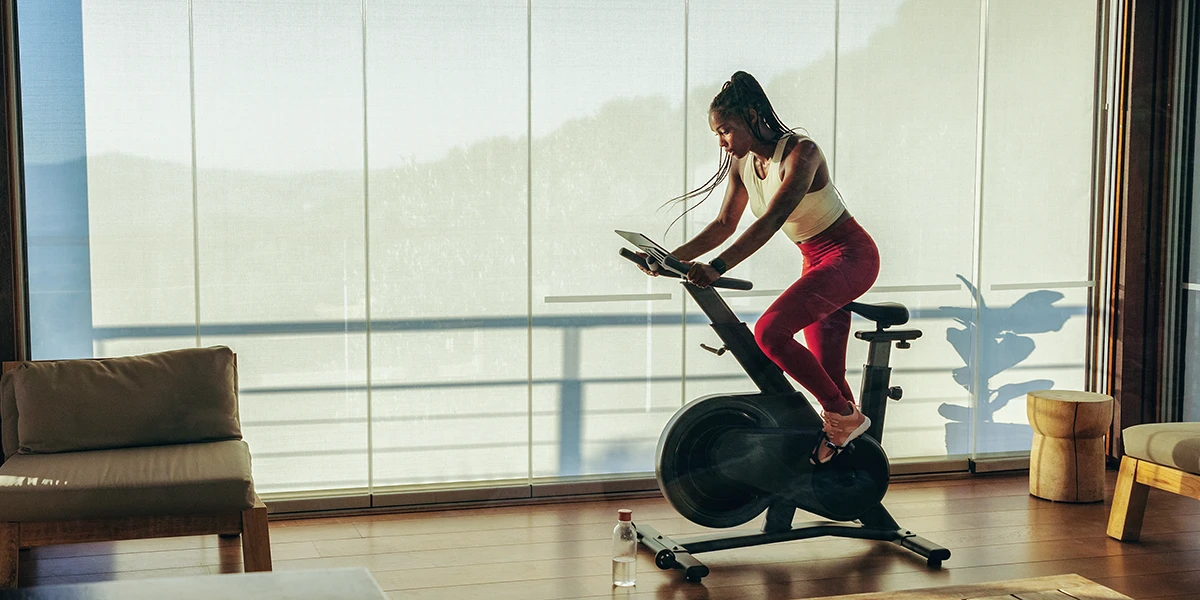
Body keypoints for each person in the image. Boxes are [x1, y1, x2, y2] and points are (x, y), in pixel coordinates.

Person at [645, 71, 880, 464]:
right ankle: (851, 464)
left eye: (726, 131)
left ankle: (841, 417)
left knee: (770, 331)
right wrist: (671, 258)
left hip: (850, 256)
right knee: (828, 378)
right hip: (815, 260)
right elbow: (723, 225)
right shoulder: (743, 166)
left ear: (753, 116)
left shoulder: (801, 154)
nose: (721, 142)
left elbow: (771, 220)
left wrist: (717, 267)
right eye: (717, 134)